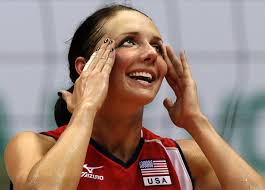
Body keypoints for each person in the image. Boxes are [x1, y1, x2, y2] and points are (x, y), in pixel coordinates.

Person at [4, 4, 265, 190]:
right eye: (129, 41)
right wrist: (85, 110)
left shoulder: (184, 158)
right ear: (85, 68)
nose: (151, 54)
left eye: (157, 46)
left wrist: (196, 121)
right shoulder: (34, 146)